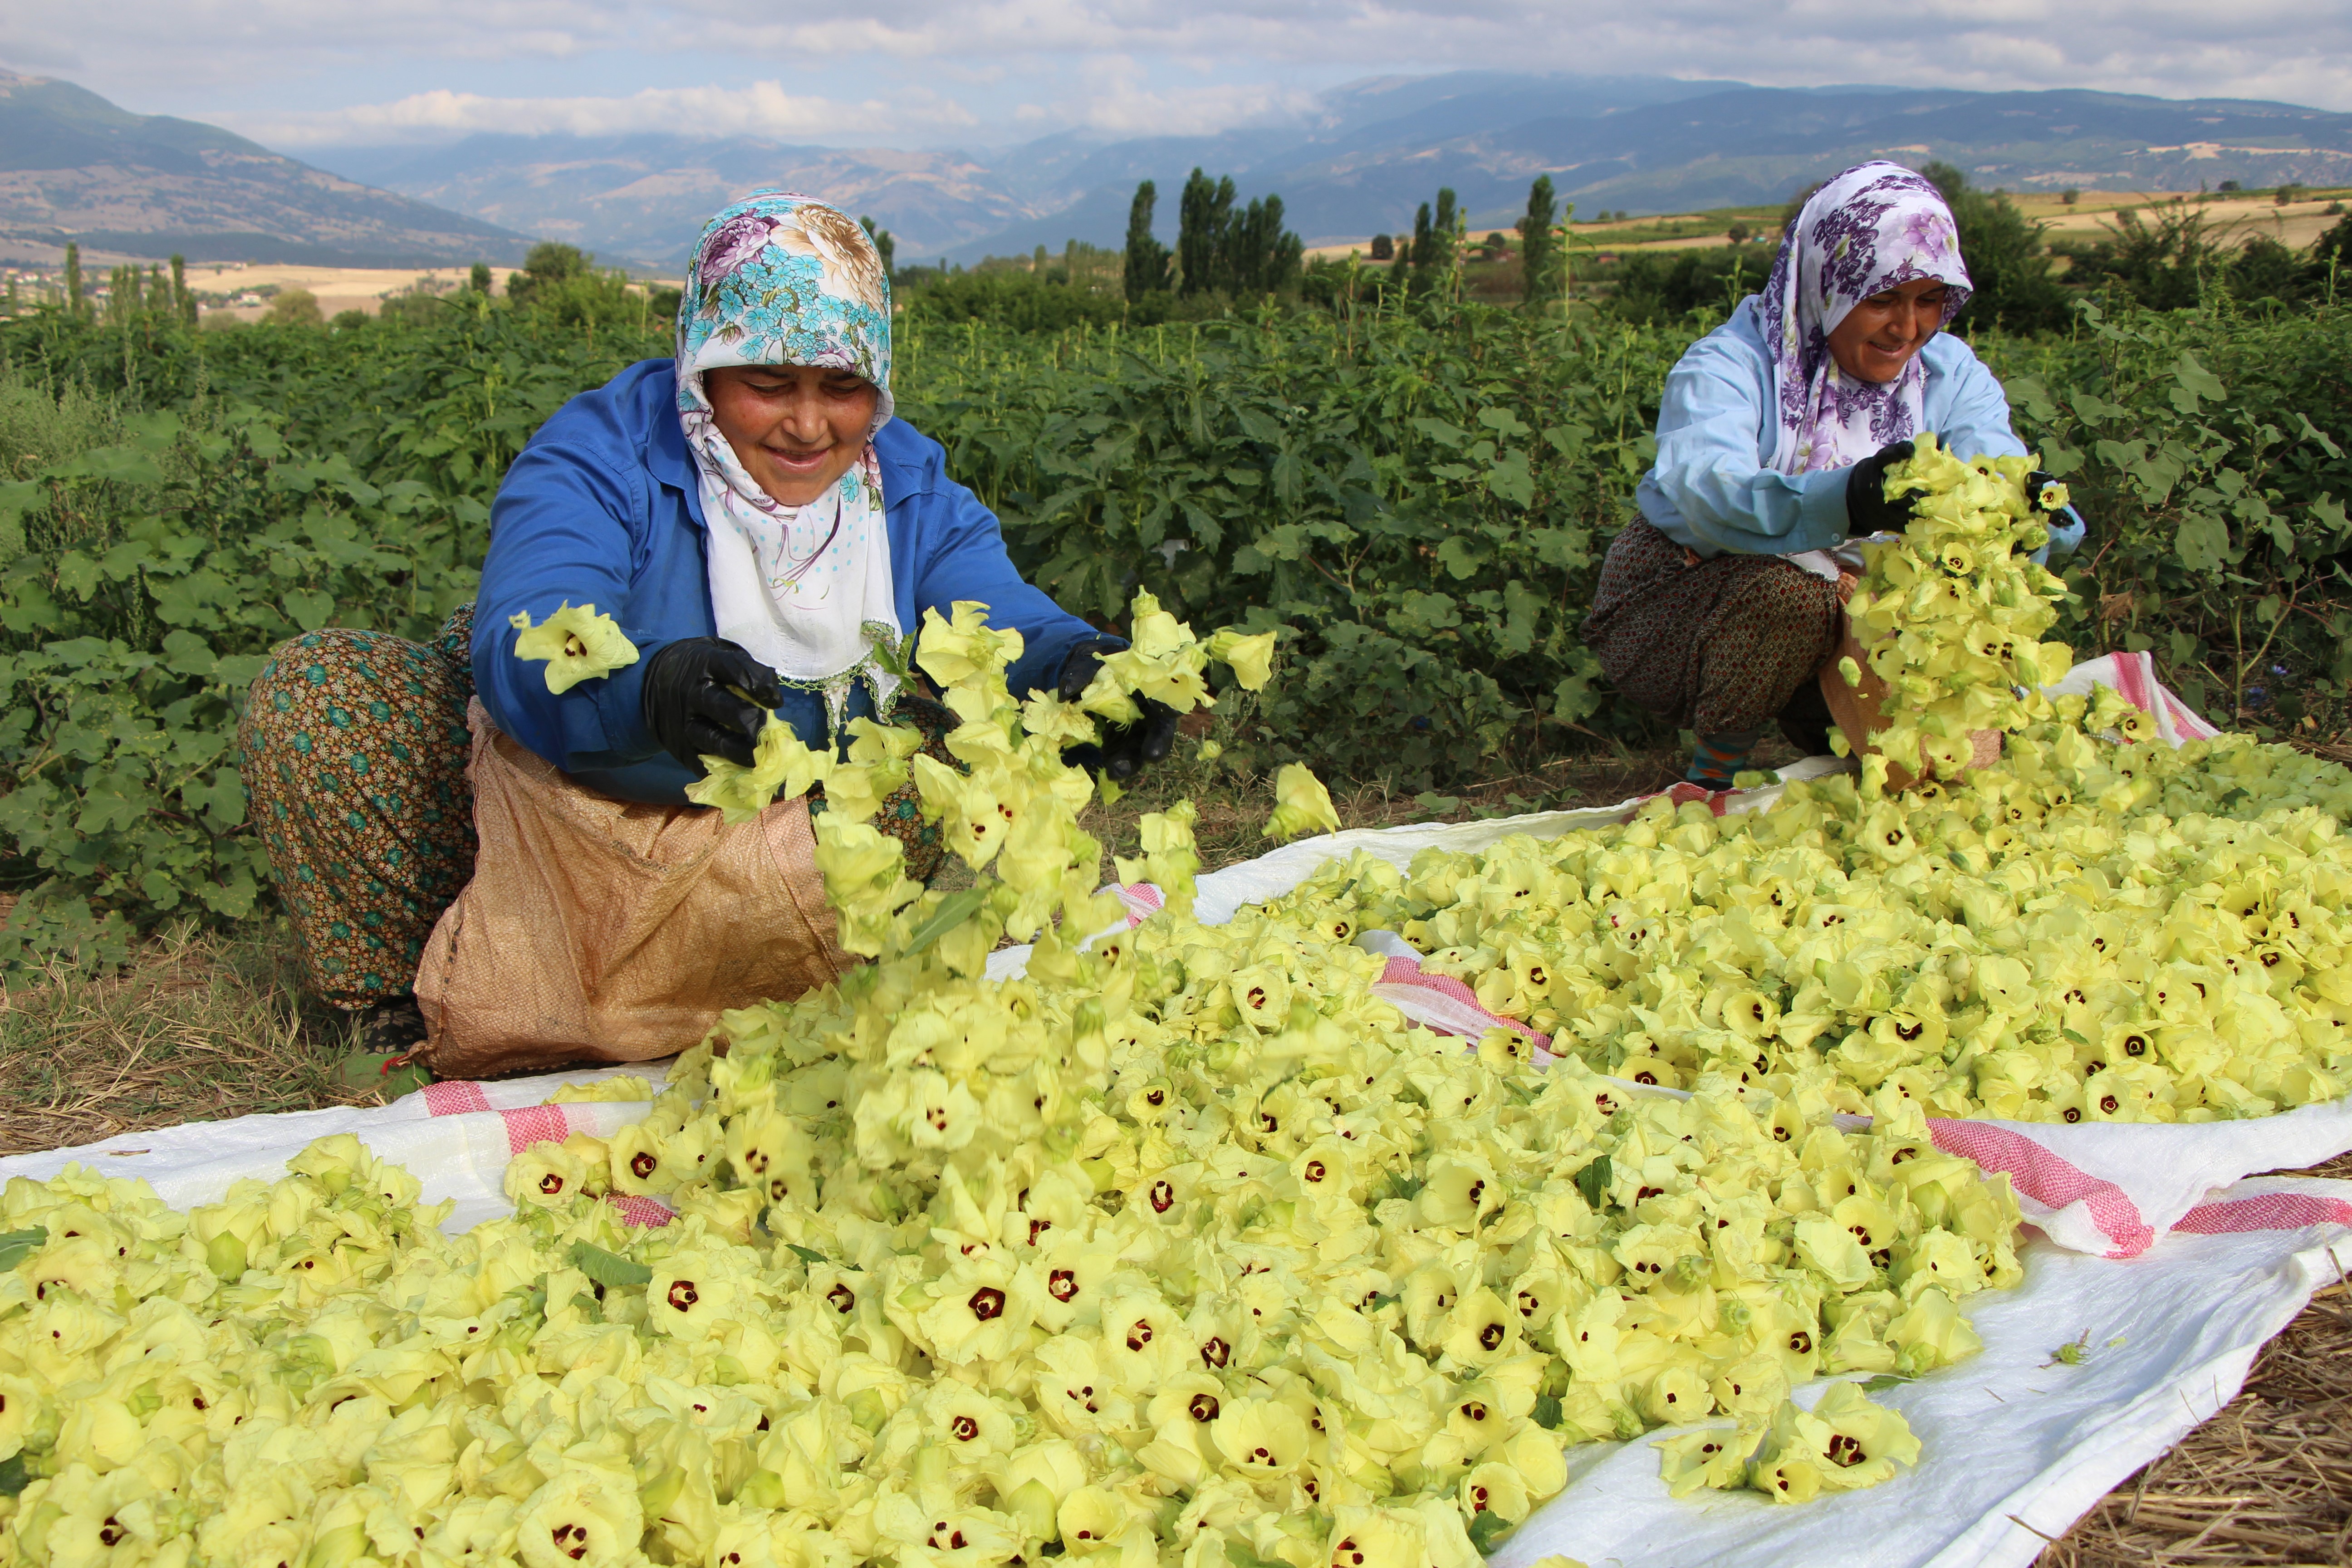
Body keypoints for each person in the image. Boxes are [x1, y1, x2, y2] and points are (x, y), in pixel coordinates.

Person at [239, 191, 1175, 1084]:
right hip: (572, 793)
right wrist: (644, 689)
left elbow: (995, 615)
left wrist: (1078, 669)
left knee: (933, 753)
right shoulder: (605, 453)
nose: (810, 426)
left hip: (778, 849)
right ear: (704, 366)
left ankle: (766, 992)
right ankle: (413, 1000)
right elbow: (537, 616)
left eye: (843, 388)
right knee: (325, 694)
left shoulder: (903, 489)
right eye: (769, 384)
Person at [1586, 161, 2084, 789]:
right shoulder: (1732, 364)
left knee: (1946, 723)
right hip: (1683, 605)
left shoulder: (1948, 374)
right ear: (1828, 286)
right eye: (1882, 301)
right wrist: (1847, 498)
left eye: (1929, 301)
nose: (1907, 329)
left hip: (1855, 615)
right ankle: (1712, 773)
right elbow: (1705, 491)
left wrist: (2027, 505)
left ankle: (1836, 729)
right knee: (1792, 591)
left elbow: (1993, 458)